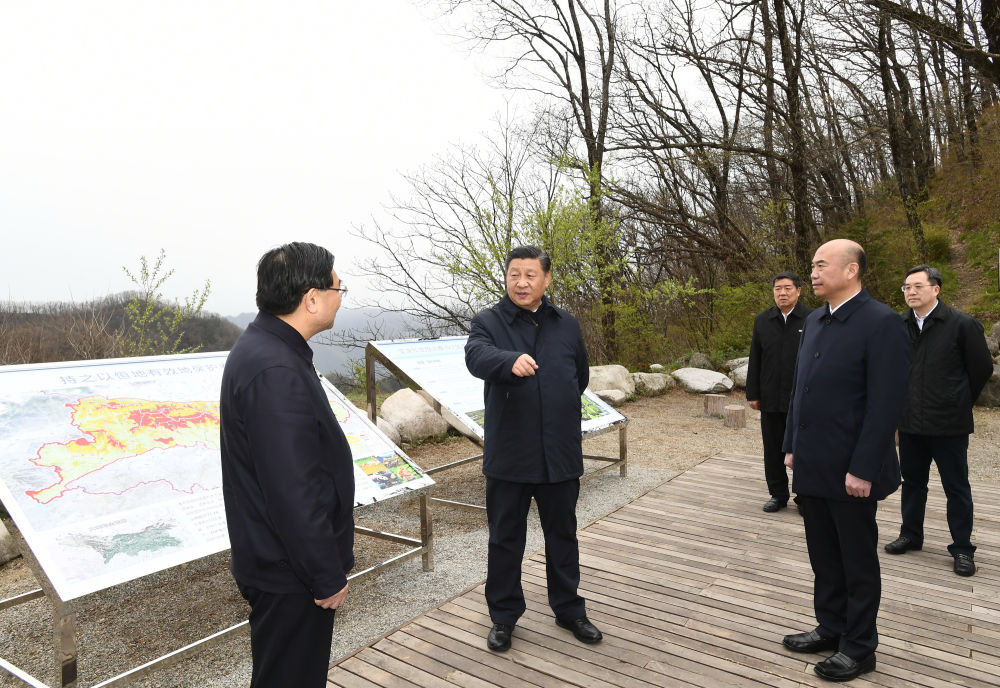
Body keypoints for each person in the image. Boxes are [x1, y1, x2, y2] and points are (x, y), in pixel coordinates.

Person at [220, 242, 354, 688]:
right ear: (311, 298)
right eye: (338, 289)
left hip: (279, 560)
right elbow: (292, 490)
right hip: (289, 571)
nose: (340, 298)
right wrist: (324, 574)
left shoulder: (268, 349)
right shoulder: (275, 368)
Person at [780, 239, 910, 682]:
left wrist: (863, 467)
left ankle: (859, 647)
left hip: (852, 468)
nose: (813, 273)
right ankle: (831, 627)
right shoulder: (816, 319)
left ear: (851, 270)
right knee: (824, 556)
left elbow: (886, 404)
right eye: (812, 265)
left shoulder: (882, 322)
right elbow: (800, 389)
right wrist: (791, 444)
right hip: (813, 462)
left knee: (856, 562)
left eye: (821, 265)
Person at [464, 245, 601, 653]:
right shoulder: (488, 321)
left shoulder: (567, 324)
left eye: (530, 275)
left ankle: (569, 610)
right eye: (514, 275)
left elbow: (579, 376)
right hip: (511, 456)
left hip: (560, 452)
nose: (521, 283)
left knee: (564, 536)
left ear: (546, 278)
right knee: (505, 539)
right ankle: (504, 617)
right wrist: (508, 361)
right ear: (506, 277)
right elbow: (476, 356)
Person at [884, 265, 993, 577]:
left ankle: (962, 548)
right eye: (906, 287)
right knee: (912, 482)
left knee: (956, 487)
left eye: (917, 286)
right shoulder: (898, 325)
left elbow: (982, 368)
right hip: (910, 422)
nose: (911, 292)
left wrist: (957, 399)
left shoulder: (961, 324)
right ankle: (910, 534)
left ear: (936, 289)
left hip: (949, 424)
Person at [746, 271, 813, 512]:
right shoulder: (763, 320)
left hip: (803, 398)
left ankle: (804, 496)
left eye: (787, 288)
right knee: (773, 449)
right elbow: (755, 358)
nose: (782, 293)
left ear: (798, 290)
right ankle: (778, 494)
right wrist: (753, 393)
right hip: (771, 397)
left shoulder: (812, 319)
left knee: (803, 449)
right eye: (778, 289)